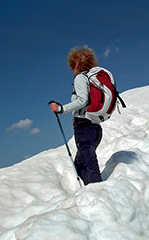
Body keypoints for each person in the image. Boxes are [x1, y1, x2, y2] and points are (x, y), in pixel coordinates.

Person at [49, 45, 105, 185]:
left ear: (77, 64)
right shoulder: (91, 80)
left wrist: (61, 109)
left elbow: (82, 100)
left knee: (89, 166)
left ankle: (98, 196)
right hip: (95, 128)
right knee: (80, 165)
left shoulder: (80, 77)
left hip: (84, 128)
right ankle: (91, 194)